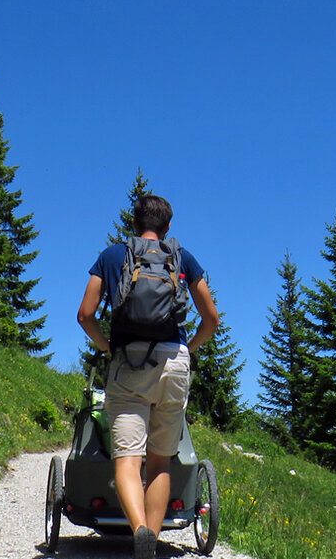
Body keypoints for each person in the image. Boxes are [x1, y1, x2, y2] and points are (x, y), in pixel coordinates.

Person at [77, 194, 219, 559]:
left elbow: (85, 314)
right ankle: (150, 544)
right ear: (167, 226)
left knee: (127, 459)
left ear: (134, 222)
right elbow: (212, 319)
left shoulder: (112, 257)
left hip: (128, 363)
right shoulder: (182, 258)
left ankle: (138, 528)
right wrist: (189, 350)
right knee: (160, 461)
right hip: (173, 361)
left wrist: (108, 347)